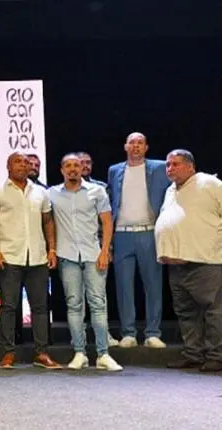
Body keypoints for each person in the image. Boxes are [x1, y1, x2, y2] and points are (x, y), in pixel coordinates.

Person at [0, 152, 62, 369]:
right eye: (18, 161)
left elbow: (48, 222)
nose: (23, 165)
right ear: (8, 166)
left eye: (26, 162)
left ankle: (41, 353)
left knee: (40, 307)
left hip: (37, 256)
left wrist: (52, 249)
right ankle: (8, 352)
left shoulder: (41, 192)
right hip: (8, 256)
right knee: (8, 306)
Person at [49, 154, 123, 371]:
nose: (73, 169)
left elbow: (107, 223)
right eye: (68, 166)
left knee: (98, 304)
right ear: (62, 170)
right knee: (74, 305)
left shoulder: (97, 191)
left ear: (83, 169)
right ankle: (80, 352)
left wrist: (105, 250)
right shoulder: (52, 193)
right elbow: (47, 222)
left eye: (77, 165)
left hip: (93, 254)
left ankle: (103, 354)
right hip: (67, 255)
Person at [155, 150, 222, 372]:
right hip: (176, 264)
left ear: (190, 166)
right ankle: (193, 353)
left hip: (205, 261)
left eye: (175, 164)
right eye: (168, 165)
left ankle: (217, 356)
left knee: (214, 311)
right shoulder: (170, 190)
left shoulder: (209, 183)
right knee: (186, 313)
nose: (170, 168)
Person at [107, 132, 169, 348]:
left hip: (148, 232)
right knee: (124, 286)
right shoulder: (114, 170)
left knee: (153, 284)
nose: (135, 146)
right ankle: (128, 333)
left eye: (140, 143)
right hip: (121, 233)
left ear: (146, 147)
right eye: (132, 143)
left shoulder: (160, 168)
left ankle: (153, 332)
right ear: (125, 146)